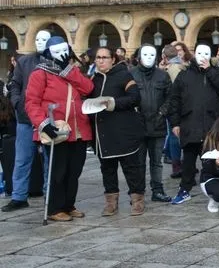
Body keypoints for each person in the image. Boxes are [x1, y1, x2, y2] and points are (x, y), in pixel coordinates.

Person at [25, 37, 94, 222]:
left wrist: (68, 72)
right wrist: (43, 123)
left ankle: (68, 205)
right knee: (59, 170)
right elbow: (32, 102)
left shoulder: (73, 71)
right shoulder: (40, 74)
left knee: (75, 170)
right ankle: (55, 208)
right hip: (56, 129)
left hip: (79, 128)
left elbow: (88, 88)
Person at [166, 44, 219, 205]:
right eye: (200, 53)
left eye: (206, 53)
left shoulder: (217, 73)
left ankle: (218, 186)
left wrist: (210, 70)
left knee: (214, 158)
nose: (202, 56)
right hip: (190, 123)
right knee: (188, 159)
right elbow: (174, 100)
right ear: (195, 54)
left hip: (212, 124)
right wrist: (175, 123)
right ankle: (185, 189)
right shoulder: (184, 75)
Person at [91, 47, 147, 217]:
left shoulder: (124, 75)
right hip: (102, 132)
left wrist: (113, 103)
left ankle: (137, 200)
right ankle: (111, 203)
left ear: (113, 59)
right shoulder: (94, 79)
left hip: (123, 131)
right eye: (98, 57)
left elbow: (134, 97)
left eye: (105, 57)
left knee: (131, 168)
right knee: (107, 169)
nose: (101, 60)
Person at [2, 30, 51, 213]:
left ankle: (49, 193)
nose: (39, 42)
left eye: (44, 39)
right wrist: (16, 102)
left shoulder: (53, 62)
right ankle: (19, 196)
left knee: (48, 157)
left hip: (47, 118)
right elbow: (15, 84)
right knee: (22, 158)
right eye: (37, 39)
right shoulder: (24, 61)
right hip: (25, 118)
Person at [130, 45, 173, 203]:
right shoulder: (131, 74)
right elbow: (126, 95)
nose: (148, 57)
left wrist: (162, 112)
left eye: (152, 55)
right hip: (137, 125)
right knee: (138, 161)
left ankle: (158, 190)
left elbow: (170, 97)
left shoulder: (163, 76)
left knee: (157, 161)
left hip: (157, 123)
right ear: (139, 56)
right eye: (145, 54)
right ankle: (138, 192)